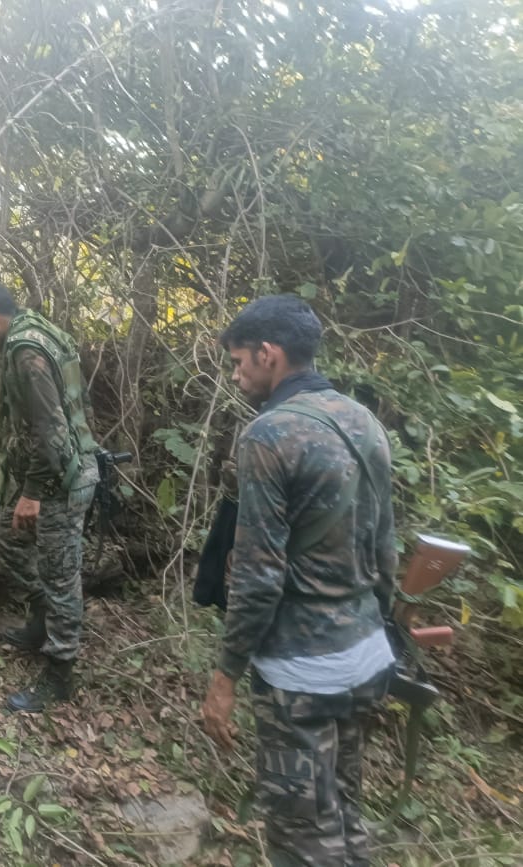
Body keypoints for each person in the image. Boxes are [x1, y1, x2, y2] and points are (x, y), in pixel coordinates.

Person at [200, 295, 397, 866]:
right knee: (345, 814)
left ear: (269, 354)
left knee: (303, 839)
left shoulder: (269, 435)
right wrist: (381, 625)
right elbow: (385, 546)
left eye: (239, 362)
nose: (236, 376)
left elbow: (259, 575)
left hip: (302, 672)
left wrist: (225, 676)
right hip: (367, 654)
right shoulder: (365, 421)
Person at [0, 281, 100, 712]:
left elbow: (52, 428)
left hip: (60, 480)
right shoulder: (38, 330)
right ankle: (40, 621)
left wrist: (34, 493)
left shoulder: (27, 350)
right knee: (6, 537)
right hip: (58, 471)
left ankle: (59, 674)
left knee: (62, 578)